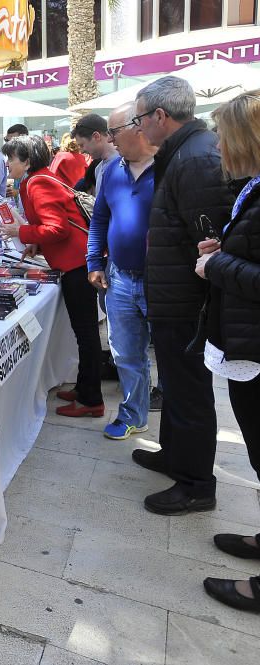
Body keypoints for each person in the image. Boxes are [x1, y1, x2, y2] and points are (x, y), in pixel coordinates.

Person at [132, 76, 234, 515]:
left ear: (160, 116)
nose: (137, 128)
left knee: (189, 390)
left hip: (186, 300)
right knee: (174, 384)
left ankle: (196, 484)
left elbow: (209, 238)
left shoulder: (194, 159)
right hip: (173, 295)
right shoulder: (183, 153)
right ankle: (174, 456)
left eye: (140, 119)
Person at [196, 91, 260, 612]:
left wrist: (217, 267)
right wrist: (225, 251)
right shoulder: (252, 191)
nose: (217, 145)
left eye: (222, 134)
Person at [0, 136, 104, 418]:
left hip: (76, 264)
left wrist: (20, 233)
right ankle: (85, 389)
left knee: (86, 333)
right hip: (75, 262)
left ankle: (91, 399)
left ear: (28, 161)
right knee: (85, 332)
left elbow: (57, 229)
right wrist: (35, 242)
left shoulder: (38, 182)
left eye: (12, 159)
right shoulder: (39, 178)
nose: (8, 164)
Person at [85, 102, 157, 440]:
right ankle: (133, 414)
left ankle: (178, 427)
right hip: (120, 278)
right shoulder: (112, 170)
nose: (110, 139)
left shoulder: (171, 167)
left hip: (163, 282)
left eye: (114, 132)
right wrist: (94, 262)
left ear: (138, 128)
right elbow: (99, 219)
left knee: (172, 359)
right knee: (126, 353)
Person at [72, 113, 117, 196]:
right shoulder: (98, 168)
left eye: (82, 145)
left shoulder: (125, 163)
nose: (81, 151)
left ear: (96, 136)